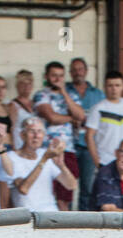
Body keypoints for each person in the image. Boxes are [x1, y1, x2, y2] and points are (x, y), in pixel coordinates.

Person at [33, 61, 84, 210]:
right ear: (46, 76)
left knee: (65, 196)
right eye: (54, 76)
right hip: (46, 150)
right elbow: (52, 117)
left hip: (68, 150)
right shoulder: (41, 95)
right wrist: (71, 118)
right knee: (48, 192)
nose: (57, 79)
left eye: (61, 76)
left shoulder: (71, 94)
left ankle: (64, 229)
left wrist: (65, 94)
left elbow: (80, 115)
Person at [2, 116, 75, 212]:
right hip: (27, 217)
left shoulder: (45, 154)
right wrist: (43, 160)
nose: (36, 135)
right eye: (32, 131)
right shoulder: (12, 157)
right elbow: (23, 189)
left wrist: (61, 165)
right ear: (22, 135)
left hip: (51, 213)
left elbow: (71, 185)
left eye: (40, 131)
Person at [85, 71, 123, 176]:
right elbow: (89, 136)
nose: (114, 89)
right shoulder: (98, 108)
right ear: (105, 87)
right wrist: (97, 161)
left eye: (117, 85)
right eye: (110, 85)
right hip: (105, 161)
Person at [68, 57, 103, 211]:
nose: (77, 73)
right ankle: (65, 220)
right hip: (69, 145)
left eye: (80, 69)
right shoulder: (65, 90)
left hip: (89, 146)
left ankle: (84, 220)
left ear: (86, 71)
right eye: (74, 70)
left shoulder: (98, 94)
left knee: (87, 187)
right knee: (67, 187)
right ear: (70, 72)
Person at [7, 70, 38, 138]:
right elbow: (11, 128)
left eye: (29, 83)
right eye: (23, 83)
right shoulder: (13, 105)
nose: (26, 86)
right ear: (17, 85)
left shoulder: (36, 103)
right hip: (20, 141)